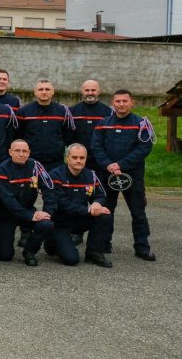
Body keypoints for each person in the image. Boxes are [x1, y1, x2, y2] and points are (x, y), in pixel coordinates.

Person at [91, 89, 156, 261]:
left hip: (132, 175)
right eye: (117, 101)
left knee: (138, 212)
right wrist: (109, 166)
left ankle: (142, 247)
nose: (121, 104)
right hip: (107, 174)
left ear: (132, 102)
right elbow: (96, 147)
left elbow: (144, 149)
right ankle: (104, 244)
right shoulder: (103, 123)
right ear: (112, 103)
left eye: (124, 101)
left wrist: (121, 165)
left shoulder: (141, 123)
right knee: (106, 210)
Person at [44, 143, 113, 267]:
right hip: (61, 222)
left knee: (105, 215)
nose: (78, 161)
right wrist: (88, 210)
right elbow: (62, 203)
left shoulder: (91, 175)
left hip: (80, 218)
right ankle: (51, 241)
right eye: (74, 157)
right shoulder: (55, 175)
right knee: (71, 259)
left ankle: (93, 252)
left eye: (82, 158)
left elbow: (101, 195)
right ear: (67, 158)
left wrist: (97, 204)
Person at [0, 140, 54, 266]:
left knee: (46, 224)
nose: (21, 154)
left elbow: (49, 189)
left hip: (28, 210)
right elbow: (8, 200)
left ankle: (29, 251)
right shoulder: (1, 169)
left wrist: (47, 212)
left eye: (24, 151)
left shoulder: (35, 166)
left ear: (29, 153)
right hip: (6, 214)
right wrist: (30, 216)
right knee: (5, 256)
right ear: (10, 152)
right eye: (17, 151)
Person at [16, 80, 73, 170]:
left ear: (53, 91)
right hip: (30, 162)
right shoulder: (24, 111)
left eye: (47, 89)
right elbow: (18, 135)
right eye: (40, 89)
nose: (44, 92)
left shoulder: (63, 111)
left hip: (56, 163)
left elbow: (68, 136)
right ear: (35, 92)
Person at [70, 80, 112, 174]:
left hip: (101, 157)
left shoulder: (108, 112)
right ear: (82, 91)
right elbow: (67, 134)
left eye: (93, 90)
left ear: (99, 92)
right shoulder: (72, 111)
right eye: (87, 90)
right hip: (78, 158)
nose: (90, 93)